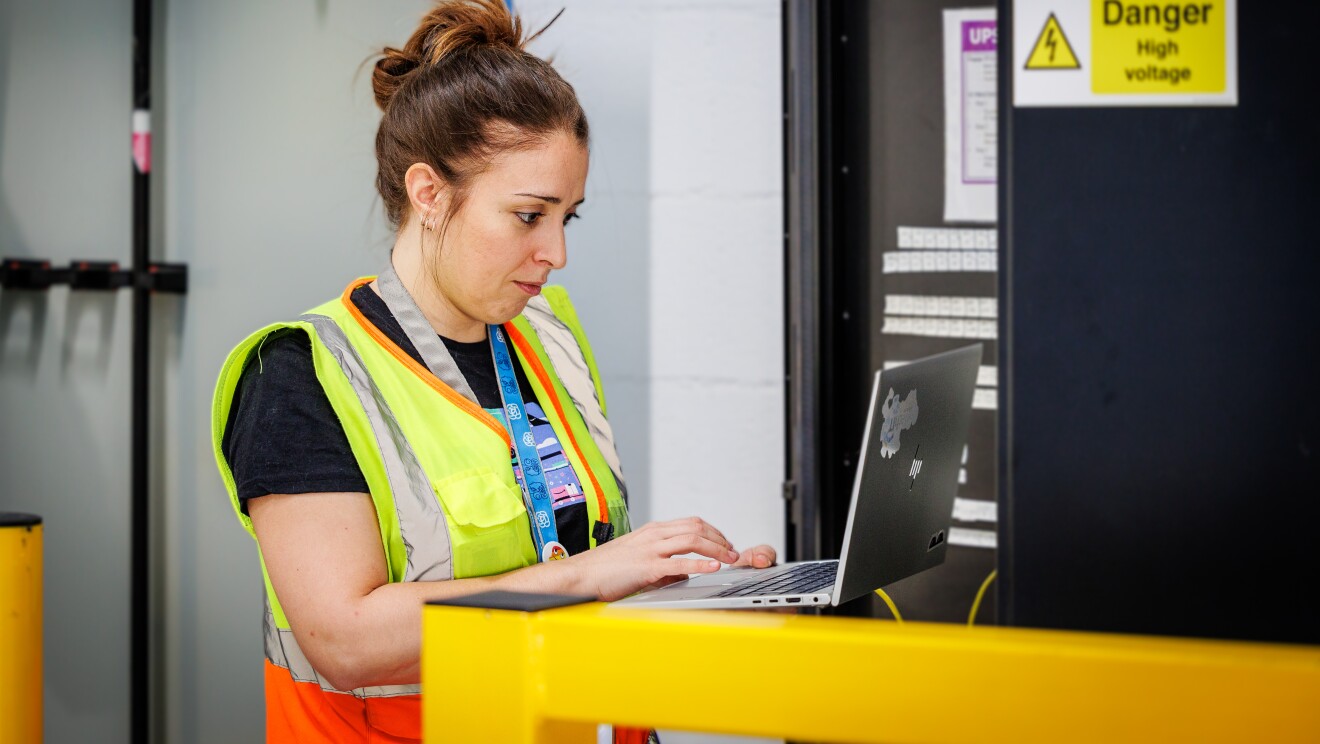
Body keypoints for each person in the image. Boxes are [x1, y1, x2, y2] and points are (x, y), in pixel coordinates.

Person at [210, 2, 777, 742]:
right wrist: (591, 576)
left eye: (566, 217)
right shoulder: (302, 373)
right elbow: (344, 641)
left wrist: (675, 582)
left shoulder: (547, 337)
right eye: (528, 215)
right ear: (429, 194)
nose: (555, 253)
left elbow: (573, 549)